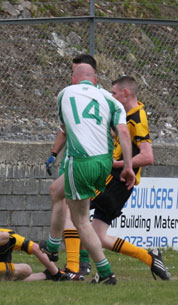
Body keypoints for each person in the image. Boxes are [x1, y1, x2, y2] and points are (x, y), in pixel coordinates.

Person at [42, 64, 135, 285]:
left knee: (80, 220)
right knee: (56, 190)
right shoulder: (109, 99)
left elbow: (65, 127)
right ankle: (53, 247)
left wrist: (55, 153)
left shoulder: (65, 93)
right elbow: (121, 131)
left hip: (81, 161)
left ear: (74, 79)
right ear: (95, 80)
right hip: (104, 163)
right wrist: (128, 167)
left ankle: (105, 273)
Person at [89, 76, 169, 280]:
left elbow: (147, 156)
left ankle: (77, 268)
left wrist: (117, 164)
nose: (113, 96)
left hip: (116, 180)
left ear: (125, 93)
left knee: (71, 205)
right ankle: (150, 258)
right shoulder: (127, 114)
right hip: (118, 182)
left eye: (114, 93)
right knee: (98, 236)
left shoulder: (137, 118)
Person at [44, 54, 100, 279]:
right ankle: (76, 262)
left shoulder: (102, 98)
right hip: (71, 161)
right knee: (74, 211)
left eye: (76, 72)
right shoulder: (71, 95)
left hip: (89, 163)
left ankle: (76, 264)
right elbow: (65, 128)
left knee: (80, 214)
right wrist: (54, 153)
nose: (73, 77)